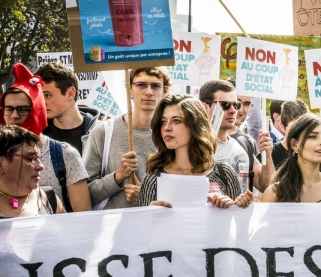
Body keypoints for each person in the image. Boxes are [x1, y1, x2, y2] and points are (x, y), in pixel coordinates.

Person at [0, 63, 91, 212]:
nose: (14, 116)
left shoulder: (65, 155)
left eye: (23, 109)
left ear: (37, 111)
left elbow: (84, 217)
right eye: (9, 109)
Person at [138, 94, 252, 208]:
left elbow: (238, 222)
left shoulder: (224, 172)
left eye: (176, 121)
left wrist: (238, 205)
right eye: (163, 121)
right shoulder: (153, 177)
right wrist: (150, 215)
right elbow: (140, 225)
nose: (167, 127)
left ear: (195, 125)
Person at [83, 67, 171, 209]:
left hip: (158, 227)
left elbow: (183, 192)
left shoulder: (173, 135)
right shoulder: (103, 133)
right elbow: (84, 194)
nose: (148, 92)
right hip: (112, 227)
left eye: (155, 86)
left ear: (165, 91)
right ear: (129, 89)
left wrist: (146, 197)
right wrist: (118, 176)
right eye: (141, 85)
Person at [200, 80, 274, 193]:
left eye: (235, 105)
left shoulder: (244, 143)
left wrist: (267, 155)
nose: (234, 110)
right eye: (225, 105)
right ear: (206, 107)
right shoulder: (193, 146)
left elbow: (265, 186)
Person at [0, 125, 66, 218]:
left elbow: (67, 231)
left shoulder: (47, 197)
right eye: (31, 158)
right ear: (1, 163)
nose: (40, 166)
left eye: (39, 158)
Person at [35, 62, 100, 155]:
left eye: (47, 95)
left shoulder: (102, 132)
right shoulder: (37, 134)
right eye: (39, 96)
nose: (42, 102)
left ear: (70, 93)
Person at [226, 76, 259, 156]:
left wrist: (267, 156)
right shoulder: (203, 137)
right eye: (237, 102)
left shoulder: (249, 143)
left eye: (247, 104)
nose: (240, 110)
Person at [271, 99, 309, 169]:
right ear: (282, 127)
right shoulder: (269, 154)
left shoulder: (312, 153)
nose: (300, 131)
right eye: (295, 127)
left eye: (304, 126)